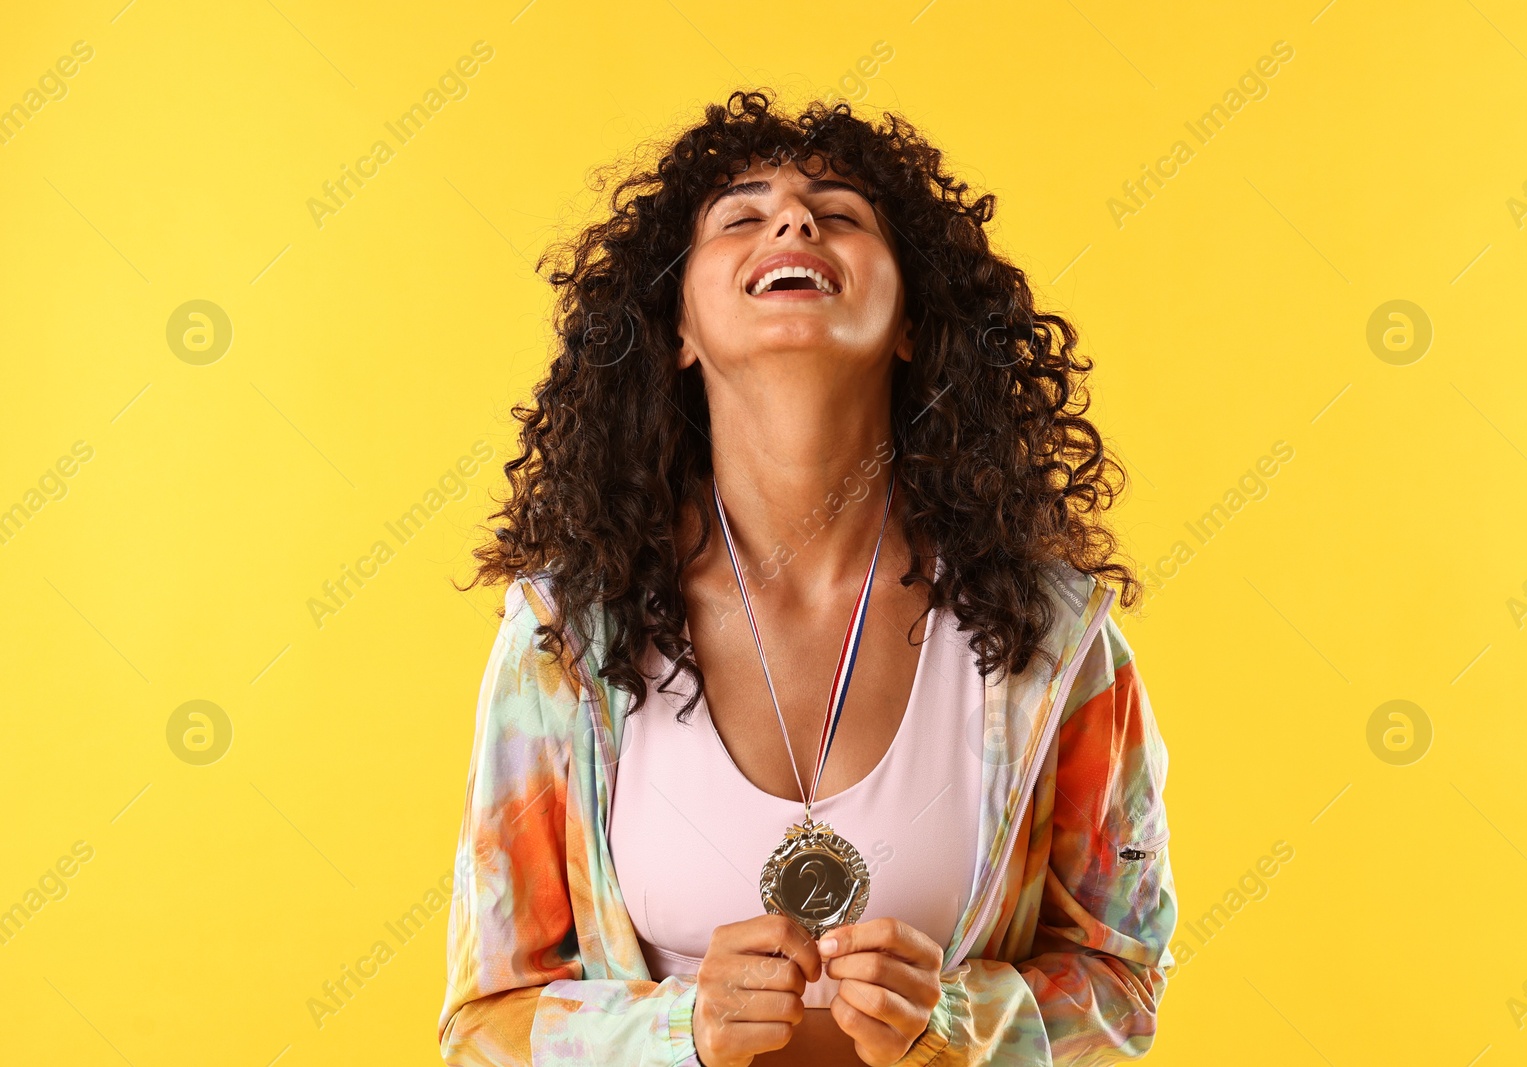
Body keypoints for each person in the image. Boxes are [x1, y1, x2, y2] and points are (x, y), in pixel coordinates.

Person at [439, 89, 1177, 1067]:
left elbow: (1121, 979)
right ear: (678, 332)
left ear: (912, 320)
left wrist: (955, 1024)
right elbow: (485, 1017)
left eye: (840, 213)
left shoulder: (1051, 636)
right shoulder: (567, 636)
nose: (792, 219)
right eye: (741, 215)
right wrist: (679, 1029)